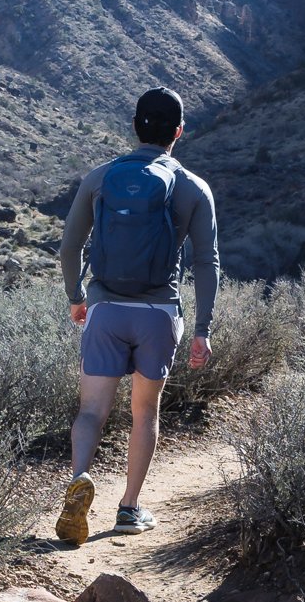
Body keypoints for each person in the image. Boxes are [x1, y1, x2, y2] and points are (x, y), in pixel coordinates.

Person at [55, 85, 219, 543]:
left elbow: (70, 247)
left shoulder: (101, 177)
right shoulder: (191, 187)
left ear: (134, 126)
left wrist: (76, 297)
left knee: (91, 410)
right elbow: (208, 262)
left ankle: (79, 478)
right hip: (158, 314)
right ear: (179, 132)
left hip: (105, 309)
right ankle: (129, 509)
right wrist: (202, 329)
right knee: (144, 412)